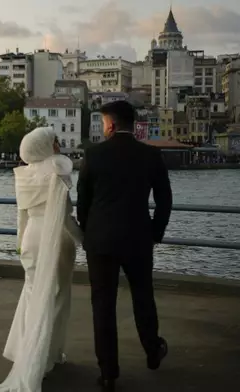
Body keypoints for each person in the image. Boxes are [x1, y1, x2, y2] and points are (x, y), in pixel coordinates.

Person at [76, 100, 173, 391]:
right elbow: (165, 200)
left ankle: (108, 373)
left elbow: (84, 202)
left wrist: (88, 231)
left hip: (101, 241)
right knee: (143, 297)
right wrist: (155, 232)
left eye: (104, 123)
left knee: (102, 306)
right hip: (138, 239)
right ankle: (152, 350)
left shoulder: (94, 155)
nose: (103, 127)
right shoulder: (151, 156)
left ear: (112, 125)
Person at [0, 127, 82, 392]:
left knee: (31, 293)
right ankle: (48, 354)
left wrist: (20, 245)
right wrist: (84, 241)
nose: (59, 145)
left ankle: (25, 350)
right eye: (55, 141)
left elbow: (22, 217)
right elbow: (65, 217)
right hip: (56, 239)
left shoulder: (23, 175)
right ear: (46, 147)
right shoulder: (58, 171)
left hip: (30, 238)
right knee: (58, 296)